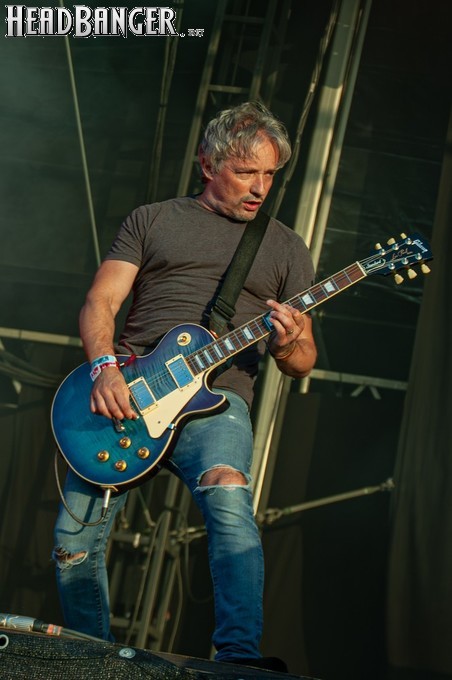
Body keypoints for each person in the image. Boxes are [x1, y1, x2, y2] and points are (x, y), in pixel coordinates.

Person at [53, 101, 317, 672]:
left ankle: (238, 658)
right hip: (129, 392)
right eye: (246, 172)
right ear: (207, 164)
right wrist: (104, 369)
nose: (260, 188)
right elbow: (101, 301)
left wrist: (290, 342)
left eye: (269, 174)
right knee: (73, 542)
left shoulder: (286, 247)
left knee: (229, 494)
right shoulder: (153, 220)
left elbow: (302, 363)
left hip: (218, 403)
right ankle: (92, 660)